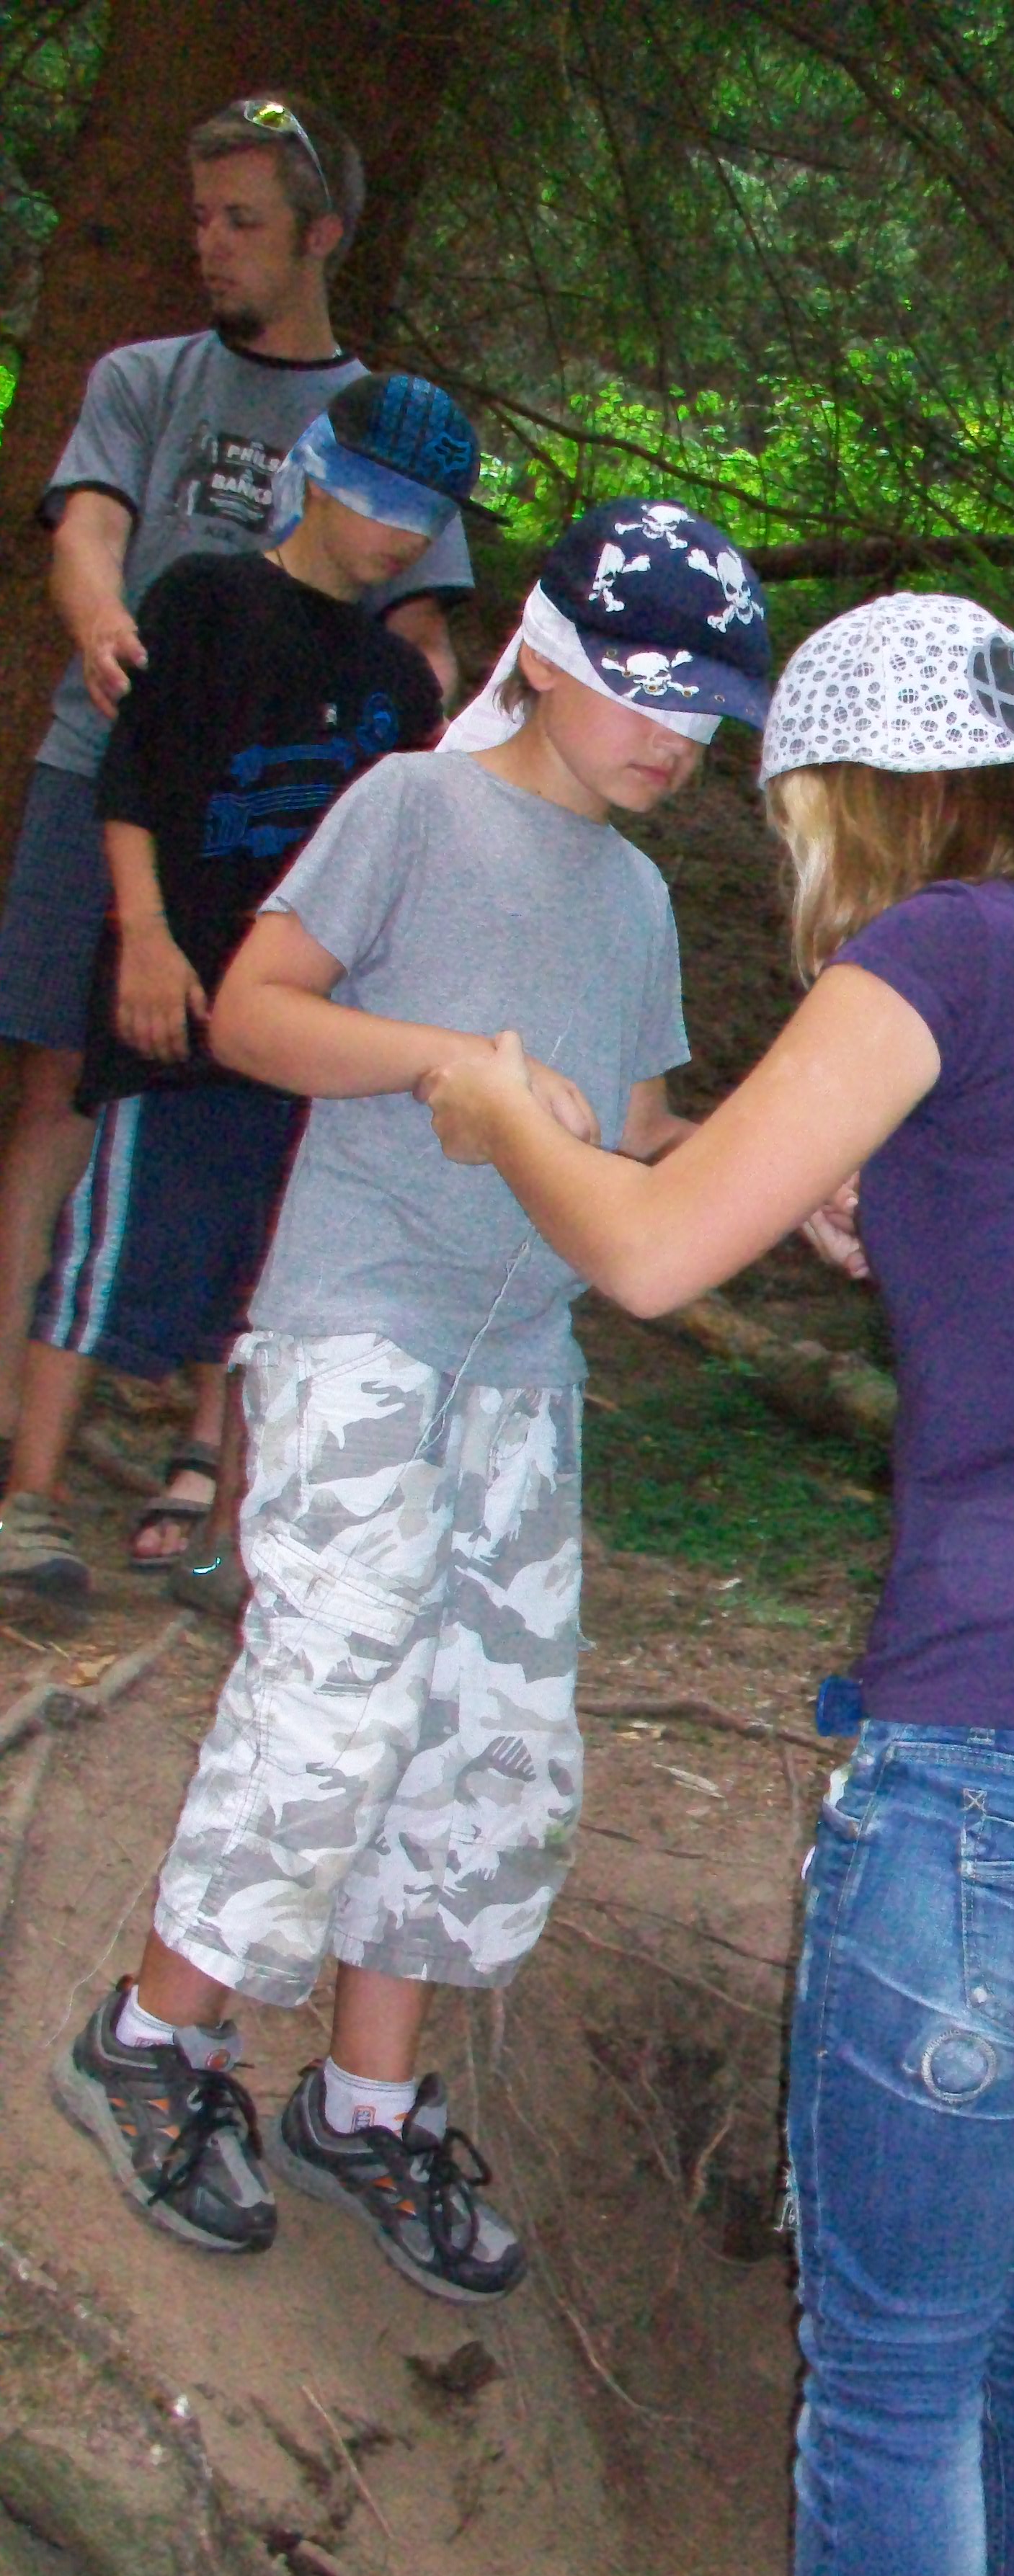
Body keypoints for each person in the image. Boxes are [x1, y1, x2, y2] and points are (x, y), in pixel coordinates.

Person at [412, 592, 1014, 2576]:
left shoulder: (935, 951)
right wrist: (864, 1204)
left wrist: (505, 1120)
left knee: (895, 2383)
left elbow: (650, 1252)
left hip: (1012, 1773)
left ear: (846, 799)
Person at [52, 499, 773, 2304]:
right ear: (544, 651)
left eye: (703, 711)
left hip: (524, 1363)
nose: (673, 737)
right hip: (362, 1323)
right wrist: (450, 1059)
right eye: (645, 692)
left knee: (489, 1735)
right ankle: (152, 2033)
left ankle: (366, 2101)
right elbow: (253, 1014)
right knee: (335, 1684)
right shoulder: (409, 806)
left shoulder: (634, 897)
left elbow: (635, 1124)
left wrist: (791, 1176)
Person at [0, 92, 471, 1557]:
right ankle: (20, 1436)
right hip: (113, 775)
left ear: (319, 236)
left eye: (243, 220)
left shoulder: (381, 424)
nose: (211, 243)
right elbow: (88, 526)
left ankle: (204, 1459)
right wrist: (103, 622)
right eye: (202, 216)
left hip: (277, 833)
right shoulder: (145, 378)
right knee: (61, 1086)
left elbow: (423, 635)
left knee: (261, 1123)